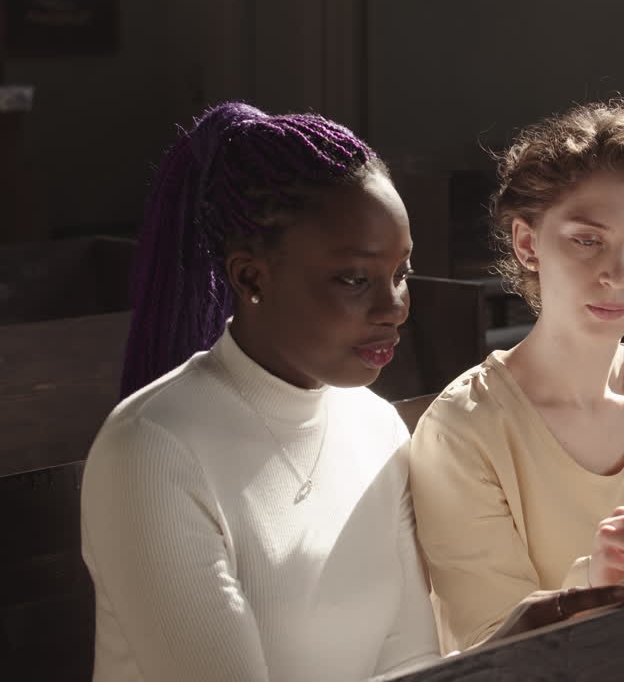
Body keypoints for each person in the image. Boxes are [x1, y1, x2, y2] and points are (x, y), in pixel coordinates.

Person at [81, 101, 437, 681]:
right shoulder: (151, 450)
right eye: (354, 278)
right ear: (251, 277)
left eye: (401, 272)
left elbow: (413, 661)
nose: (393, 308)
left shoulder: (377, 429)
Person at [410, 99, 624, 651]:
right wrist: (590, 585)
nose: (616, 275)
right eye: (587, 239)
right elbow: (482, 646)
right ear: (528, 244)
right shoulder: (463, 429)